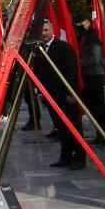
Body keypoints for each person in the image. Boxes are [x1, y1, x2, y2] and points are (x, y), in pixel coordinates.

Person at [33, 20, 85, 170]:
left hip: (66, 95)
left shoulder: (64, 47)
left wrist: (71, 93)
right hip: (50, 96)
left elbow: (72, 72)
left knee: (73, 126)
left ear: (52, 30)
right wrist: (40, 91)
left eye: (46, 30)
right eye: (41, 31)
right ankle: (66, 156)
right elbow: (38, 72)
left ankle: (80, 158)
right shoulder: (38, 50)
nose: (43, 34)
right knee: (61, 127)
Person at [77, 19, 105, 144]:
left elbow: (95, 58)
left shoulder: (93, 40)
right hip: (88, 76)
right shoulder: (86, 38)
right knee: (93, 107)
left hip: (95, 76)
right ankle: (100, 134)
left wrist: (81, 62)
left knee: (99, 107)